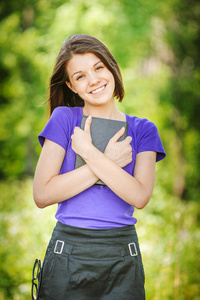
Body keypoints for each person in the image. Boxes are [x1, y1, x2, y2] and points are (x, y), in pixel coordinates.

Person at [33, 34, 166, 300]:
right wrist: (107, 162)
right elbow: (42, 195)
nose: (93, 80)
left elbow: (139, 196)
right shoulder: (64, 120)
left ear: (111, 67)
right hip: (67, 252)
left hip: (121, 256)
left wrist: (90, 153)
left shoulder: (143, 130)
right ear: (71, 85)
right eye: (80, 76)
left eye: (98, 68)